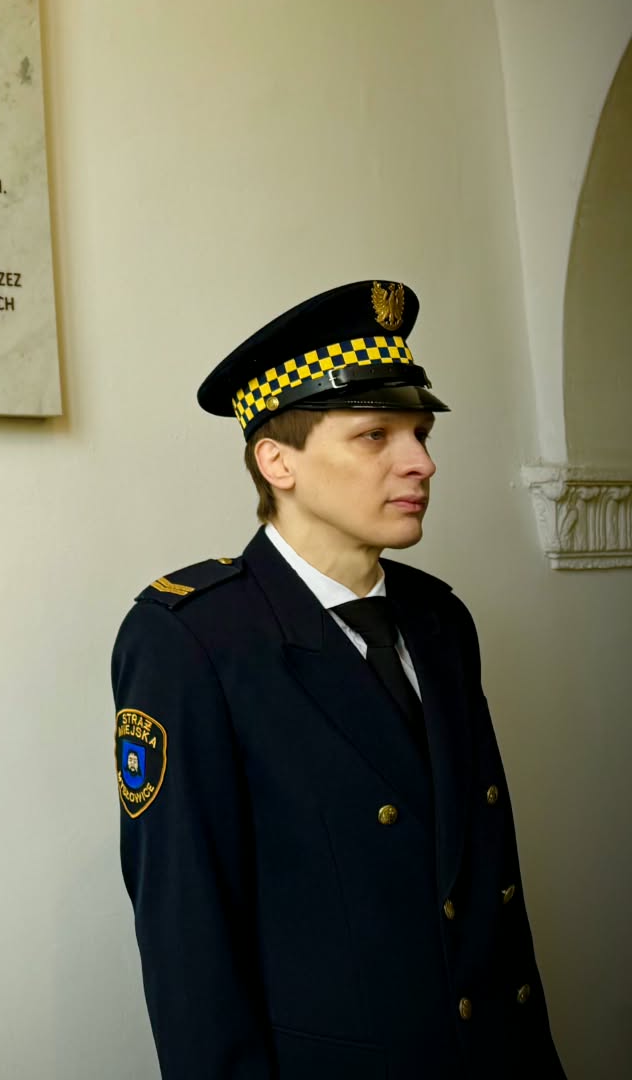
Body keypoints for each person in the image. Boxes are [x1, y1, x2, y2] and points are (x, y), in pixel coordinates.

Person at [111, 280, 561, 1078]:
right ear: (277, 460)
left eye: (420, 433)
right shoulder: (194, 641)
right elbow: (188, 939)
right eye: (374, 435)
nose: (421, 462)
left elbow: (484, 889)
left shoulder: (440, 620)